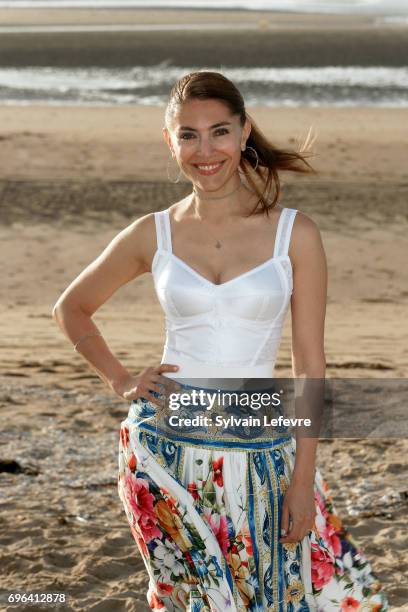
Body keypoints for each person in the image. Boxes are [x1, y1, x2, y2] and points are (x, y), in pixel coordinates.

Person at [52, 71, 388, 611]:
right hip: (163, 452)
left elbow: (309, 363)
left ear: (244, 131)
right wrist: (119, 378)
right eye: (188, 135)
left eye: (219, 132)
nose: (205, 150)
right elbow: (71, 307)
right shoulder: (151, 232)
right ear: (170, 141)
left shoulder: (294, 234)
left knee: (272, 597)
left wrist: (303, 481)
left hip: (260, 451)